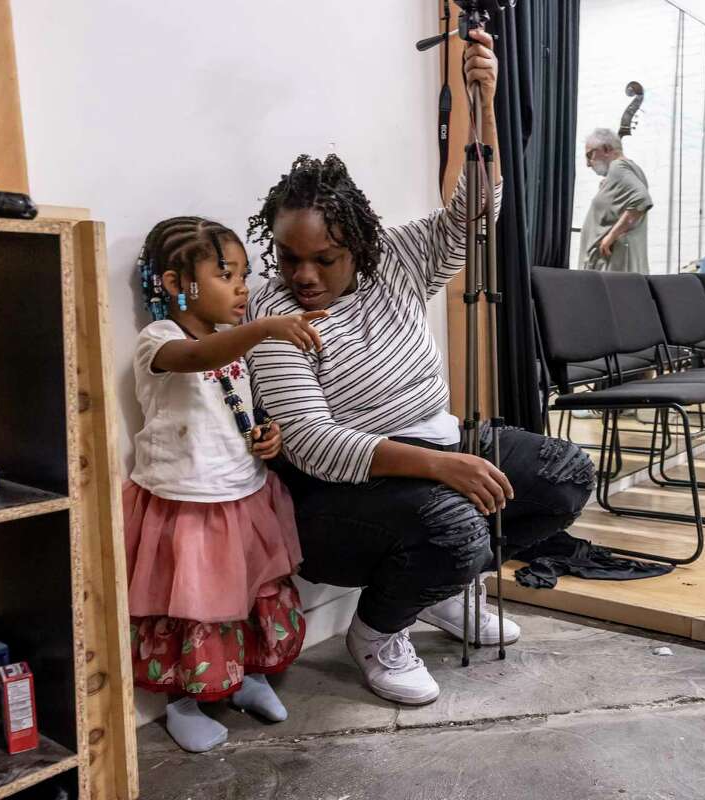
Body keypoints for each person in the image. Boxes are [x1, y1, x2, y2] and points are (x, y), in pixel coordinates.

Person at [244, 30, 594, 708]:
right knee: (456, 521)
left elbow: (476, 216)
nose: (304, 276)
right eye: (289, 257)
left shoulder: (397, 260)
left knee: (565, 476)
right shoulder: (273, 315)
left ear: (361, 246)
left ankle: (441, 588)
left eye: (326, 258)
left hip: (435, 447)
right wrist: (441, 466)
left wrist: (484, 102)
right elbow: (313, 444)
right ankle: (377, 632)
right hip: (334, 500)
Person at [127, 217, 324, 753]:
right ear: (175, 285)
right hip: (188, 503)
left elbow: (233, 405)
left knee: (250, 592)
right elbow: (195, 360)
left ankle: (247, 677)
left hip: (244, 493)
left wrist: (265, 434)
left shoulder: (227, 345)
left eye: (243, 274)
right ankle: (182, 702)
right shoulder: (160, 341)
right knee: (191, 603)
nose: (242, 287)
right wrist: (264, 328)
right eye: (224, 274)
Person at [579, 127, 653, 273]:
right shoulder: (629, 169)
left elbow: (641, 199)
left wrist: (611, 237)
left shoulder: (618, 167)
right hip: (613, 265)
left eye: (590, 155)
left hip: (612, 265)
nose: (588, 163)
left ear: (606, 149)